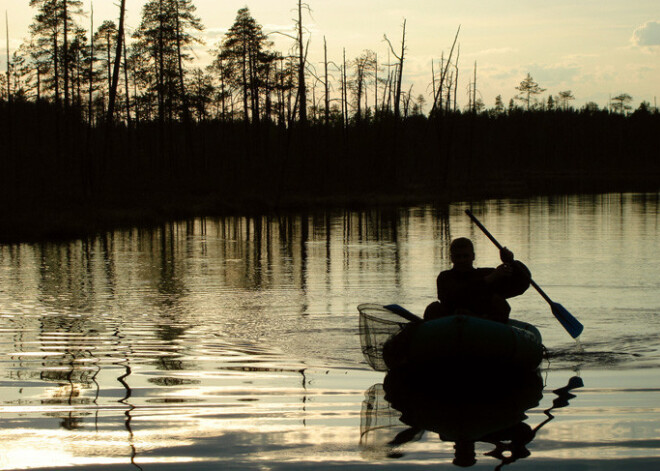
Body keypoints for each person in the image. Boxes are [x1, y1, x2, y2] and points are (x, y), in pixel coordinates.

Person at [424, 237, 530, 322]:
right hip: (451, 322)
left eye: (465, 256)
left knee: (499, 303)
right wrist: (488, 280)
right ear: (452, 258)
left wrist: (511, 262)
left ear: (473, 256)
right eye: (458, 257)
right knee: (433, 308)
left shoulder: (487, 273)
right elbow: (456, 295)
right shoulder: (445, 277)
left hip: (483, 322)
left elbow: (521, 284)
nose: (462, 260)